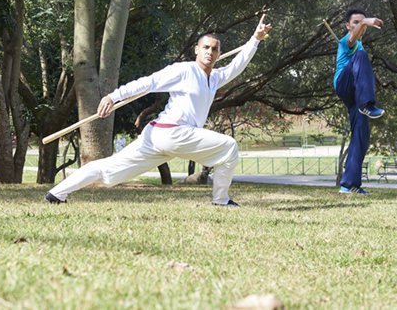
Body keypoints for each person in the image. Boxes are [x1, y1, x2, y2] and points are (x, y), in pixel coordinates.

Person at [45, 15, 272, 207]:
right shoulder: (184, 70)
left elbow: (237, 65)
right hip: (169, 133)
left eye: (214, 49)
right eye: (205, 47)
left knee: (110, 171)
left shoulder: (216, 78)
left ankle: (56, 194)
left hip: (164, 139)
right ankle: (221, 201)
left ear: (219, 53)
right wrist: (113, 96)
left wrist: (255, 39)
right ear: (196, 49)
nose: (210, 52)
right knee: (229, 147)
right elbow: (149, 83)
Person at [334, 8, 384, 195]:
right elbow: (352, 38)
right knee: (361, 56)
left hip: (355, 97)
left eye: (362, 22)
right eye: (356, 22)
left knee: (361, 136)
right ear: (348, 25)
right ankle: (367, 105)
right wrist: (364, 23)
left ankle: (349, 184)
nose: (360, 25)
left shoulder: (360, 45)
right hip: (343, 85)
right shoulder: (345, 42)